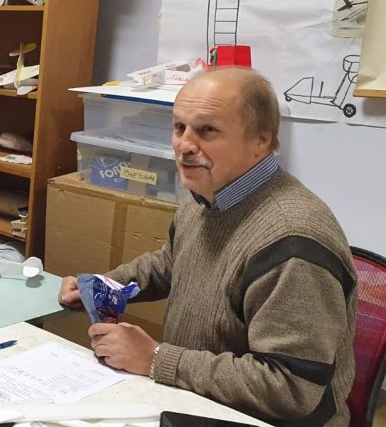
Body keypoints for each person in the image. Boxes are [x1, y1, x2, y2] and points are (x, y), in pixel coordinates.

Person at [57, 67, 356, 425]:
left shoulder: (293, 243)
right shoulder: (207, 197)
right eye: (179, 127)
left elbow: (291, 388)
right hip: (196, 403)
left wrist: (156, 358)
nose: (184, 145)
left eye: (207, 130)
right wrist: (105, 286)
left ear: (261, 141)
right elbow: (173, 262)